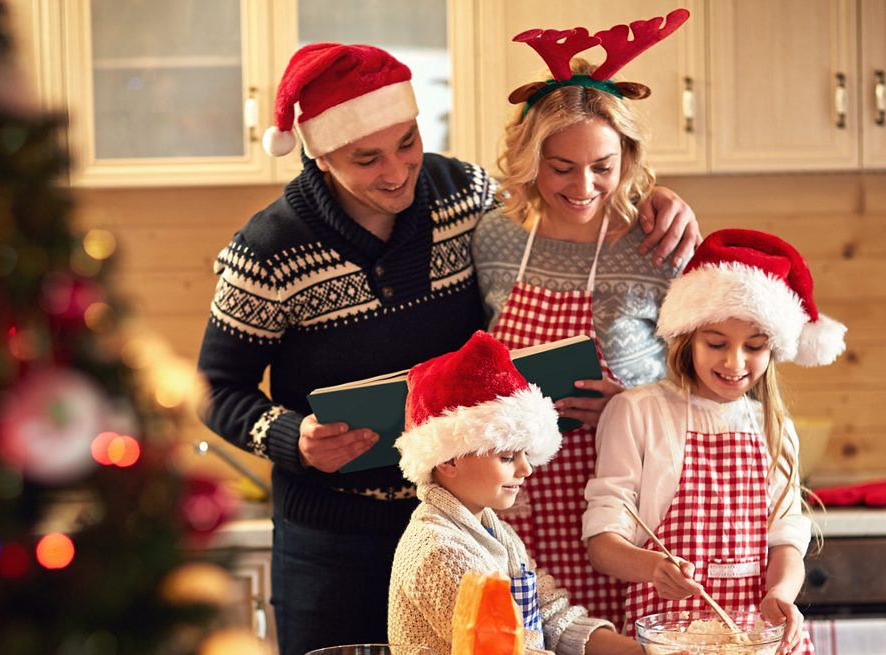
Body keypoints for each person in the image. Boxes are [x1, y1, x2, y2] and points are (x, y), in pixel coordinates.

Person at [197, 41, 698, 655]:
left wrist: (647, 196)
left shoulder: (464, 196)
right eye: (366, 157)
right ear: (320, 154)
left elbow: (571, 197)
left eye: (407, 143)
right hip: (334, 538)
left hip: (469, 520)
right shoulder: (267, 250)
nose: (396, 170)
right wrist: (289, 437)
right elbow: (214, 390)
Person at [474, 10, 696, 621]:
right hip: (518, 499)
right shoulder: (493, 239)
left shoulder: (658, 245)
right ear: (528, 160)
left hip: (626, 501)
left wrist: (633, 407)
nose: (583, 187)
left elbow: (710, 390)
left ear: (628, 157)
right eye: (561, 168)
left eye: (603, 166)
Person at [583, 228, 848, 654]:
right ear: (687, 337)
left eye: (755, 346)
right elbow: (602, 544)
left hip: (758, 640)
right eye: (716, 343)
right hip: (671, 641)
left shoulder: (773, 427)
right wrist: (653, 567)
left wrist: (781, 593)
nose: (734, 362)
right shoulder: (638, 412)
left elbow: (785, 541)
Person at [389, 330, 641, 655]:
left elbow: (550, 617)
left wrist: (639, 651)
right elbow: (501, 650)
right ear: (448, 459)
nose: (527, 470)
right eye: (508, 457)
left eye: (526, 455)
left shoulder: (497, 532)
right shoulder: (439, 552)